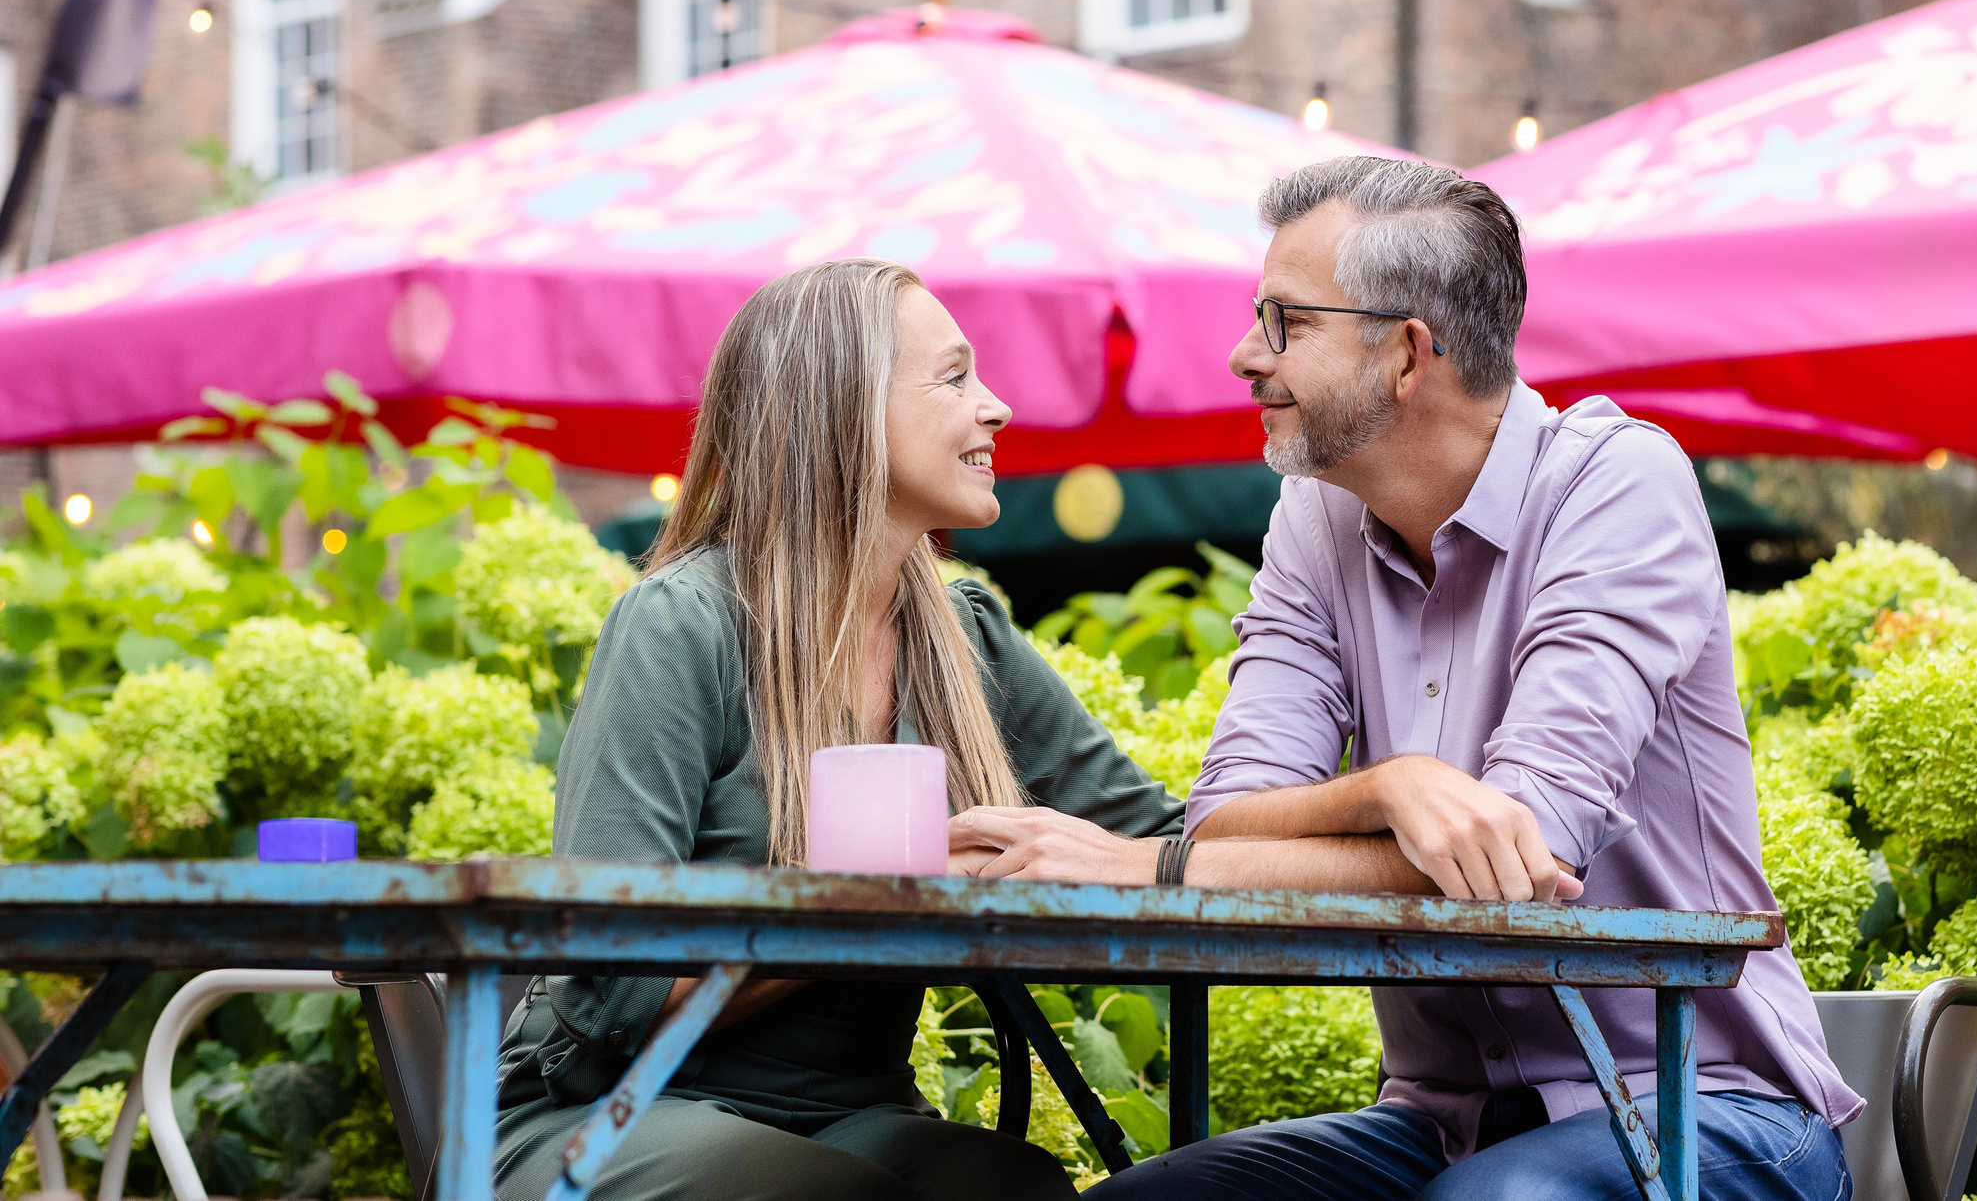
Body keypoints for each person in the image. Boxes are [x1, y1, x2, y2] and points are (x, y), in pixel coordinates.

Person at [952, 157, 1859, 1201]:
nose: (1246, 355)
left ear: (1405, 354)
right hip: (1444, 1127)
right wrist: (1383, 789)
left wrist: (1148, 866)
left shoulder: (1616, 483)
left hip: (1703, 1104)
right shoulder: (1314, 517)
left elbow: (1523, 847)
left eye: (1286, 321)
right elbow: (1226, 820)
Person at [492, 259, 1187, 1201]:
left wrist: (1376, 798)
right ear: (842, 410)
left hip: (854, 1119)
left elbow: (1165, 840)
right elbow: (609, 996)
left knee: (1016, 1190)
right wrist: (889, 895)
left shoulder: (964, 636)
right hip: (608, 1111)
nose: (997, 409)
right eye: (953, 377)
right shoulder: (682, 624)